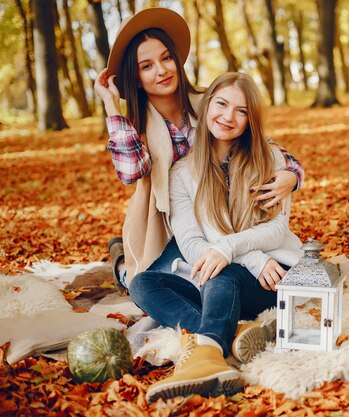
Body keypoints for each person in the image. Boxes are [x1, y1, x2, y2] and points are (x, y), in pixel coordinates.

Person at [93, 8, 304, 292]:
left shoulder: (211, 102)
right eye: (147, 66)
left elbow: (263, 146)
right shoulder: (137, 129)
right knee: (141, 283)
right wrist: (110, 105)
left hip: (217, 215)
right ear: (136, 78)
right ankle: (120, 261)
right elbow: (131, 172)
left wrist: (292, 175)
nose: (162, 70)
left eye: (166, 58)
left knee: (216, 271)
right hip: (168, 223)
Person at [128, 72, 303, 402]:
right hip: (223, 276)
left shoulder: (271, 159)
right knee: (142, 284)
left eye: (241, 111)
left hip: (271, 273)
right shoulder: (182, 174)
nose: (228, 117)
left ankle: (206, 358)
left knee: (222, 277)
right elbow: (191, 242)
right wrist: (232, 253)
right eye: (222, 104)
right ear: (207, 106)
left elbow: (276, 229)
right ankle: (232, 335)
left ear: (251, 119)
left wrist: (231, 250)